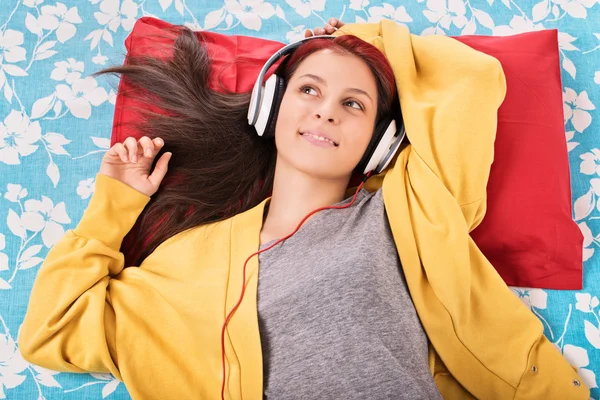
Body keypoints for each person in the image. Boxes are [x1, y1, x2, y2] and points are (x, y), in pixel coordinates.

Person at [18, 17, 589, 400]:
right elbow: (51, 330)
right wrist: (115, 205)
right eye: (309, 90)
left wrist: (365, 39)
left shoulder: (407, 209)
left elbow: (467, 79)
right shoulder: (188, 261)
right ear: (270, 105)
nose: (327, 112)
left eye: (353, 103)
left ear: (380, 141)